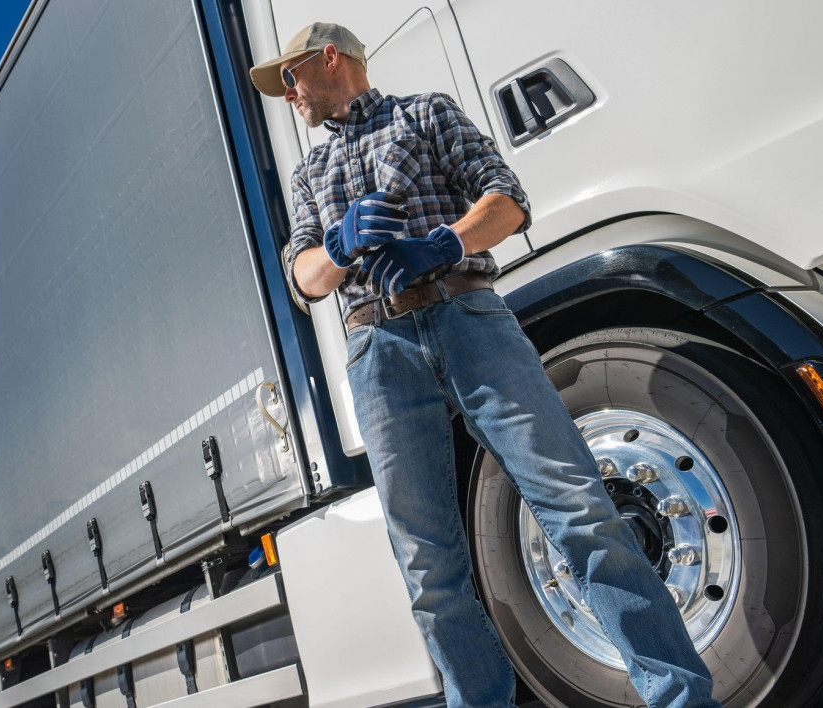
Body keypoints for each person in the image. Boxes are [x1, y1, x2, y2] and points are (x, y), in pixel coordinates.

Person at [250, 22, 721, 708]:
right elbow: (304, 276)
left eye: (290, 77)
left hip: (466, 317)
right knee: (428, 567)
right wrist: (342, 244)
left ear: (330, 60)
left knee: (578, 510)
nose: (287, 95)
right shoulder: (309, 174)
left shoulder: (426, 114)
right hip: (378, 353)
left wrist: (442, 243)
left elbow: (508, 201)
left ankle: (680, 697)